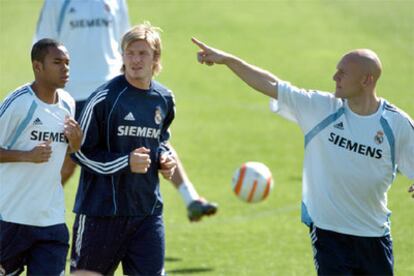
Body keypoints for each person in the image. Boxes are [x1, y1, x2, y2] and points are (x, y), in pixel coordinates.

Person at [192, 38, 414, 275]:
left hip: (374, 236)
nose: (334, 77)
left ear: (366, 80)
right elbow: (272, 84)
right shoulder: (321, 108)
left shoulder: (396, 124)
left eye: (342, 73)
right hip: (329, 234)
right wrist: (227, 60)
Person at [34, 0, 218, 222]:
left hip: (114, 89)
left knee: (152, 140)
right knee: (69, 161)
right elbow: (43, 45)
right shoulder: (58, 3)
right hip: (74, 93)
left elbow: (127, 40)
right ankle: (31, 211)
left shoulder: (115, 1)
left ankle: (191, 199)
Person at [69, 22, 177, 275]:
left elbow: (160, 140)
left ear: (155, 58)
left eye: (143, 53)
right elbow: (79, 152)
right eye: (130, 53)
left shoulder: (165, 99)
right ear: (122, 55)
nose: (136, 60)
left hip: (147, 213)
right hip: (101, 214)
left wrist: (165, 158)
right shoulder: (104, 98)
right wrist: (125, 162)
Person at [0, 39, 82, 275]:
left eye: (67, 63)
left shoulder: (68, 103)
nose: (65, 68)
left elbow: (68, 151)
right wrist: (27, 156)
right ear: (38, 66)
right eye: (57, 62)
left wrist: (76, 143)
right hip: (11, 218)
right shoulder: (19, 104)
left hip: (51, 220)